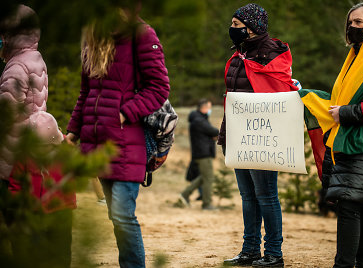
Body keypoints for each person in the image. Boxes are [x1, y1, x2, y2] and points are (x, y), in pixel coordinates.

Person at [299, 2, 363, 267]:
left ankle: (344, 264)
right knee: (355, 205)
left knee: (348, 206)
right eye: (350, 23)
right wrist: (306, 94)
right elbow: (341, 99)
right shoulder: (357, 55)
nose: (352, 27)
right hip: (348, 141)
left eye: (358, 22)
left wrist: (345, 113)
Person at [66, 3, 170, 267]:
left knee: (123, 215)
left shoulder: (143, 35)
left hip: (127, 142)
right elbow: (85, 92)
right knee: (115, 215)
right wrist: (73, 130)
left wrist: (125, 112)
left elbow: (159, 87)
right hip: (97, 141)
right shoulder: (93, 37)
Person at [220, 3, 298, 267]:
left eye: (236, 25)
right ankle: (249, 250)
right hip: (240, 139)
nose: (231, 30)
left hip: (263, 139)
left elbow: (278, 94)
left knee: (266, 196)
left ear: (251, 29)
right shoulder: (238, 56)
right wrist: (225, 135)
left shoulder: (270, 56)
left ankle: (274, 253)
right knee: (248, 197)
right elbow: (232, 100)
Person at [8, 111, 76, 268]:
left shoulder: (66, 150)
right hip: (34, 212)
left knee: (61, 254)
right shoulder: (24, 155)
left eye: (46, 147)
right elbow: (16, 184)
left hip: (62, 211)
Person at [0, 4, 46, 189]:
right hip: (28, 152)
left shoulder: (17, 67)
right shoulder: (36, 58)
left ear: (10, 37)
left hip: (10, 154)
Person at [179, 99, 219, 210]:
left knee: (204, 177)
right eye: (209, 107)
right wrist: (213, 135)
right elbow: (214, 131)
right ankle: (206, 204)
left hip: (201, 153)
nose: (210, 110)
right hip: (203, 154)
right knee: (208, 178)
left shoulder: (199, 119)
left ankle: (185, 194)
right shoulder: (199, 121)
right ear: (204, 108)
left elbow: (211, 133)